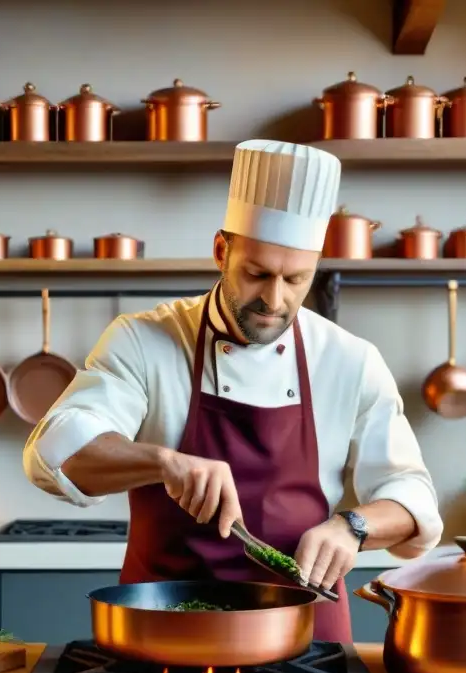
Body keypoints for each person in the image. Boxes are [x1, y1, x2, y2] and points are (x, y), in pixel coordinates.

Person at [23, 139, 441, 643]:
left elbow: (412, 499)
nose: (274, 299)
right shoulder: (145, 339)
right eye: (257, 274)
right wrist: (164, 461)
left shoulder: (350, 360)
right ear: (222, 251)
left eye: (296, 279)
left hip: (306, 631)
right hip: (167, 626)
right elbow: (57, 453)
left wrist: (351, 526)